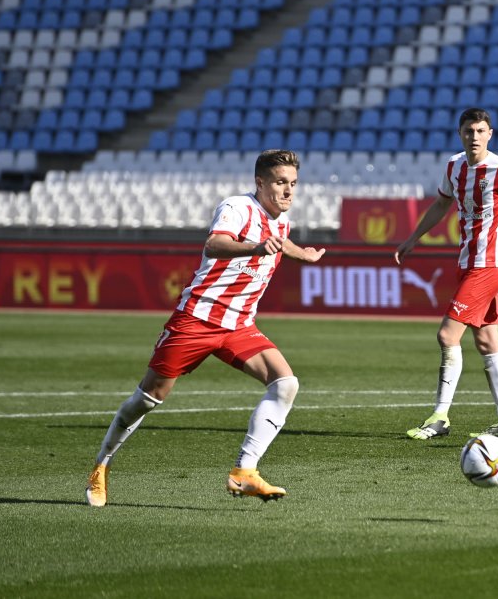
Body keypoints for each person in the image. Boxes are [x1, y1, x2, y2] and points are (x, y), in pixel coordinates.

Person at [84, 149, 326, 507]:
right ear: (260, 183)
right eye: (280, 182)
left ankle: (244, 471)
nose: (288, 190)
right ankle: (101, 465)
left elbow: (278, 239)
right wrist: (257, 248)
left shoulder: (281, 221)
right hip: (197, 319)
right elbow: (214, 244)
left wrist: (301, 254)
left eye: (293, 183)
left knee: (286, 383)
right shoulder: (237, 207)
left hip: (239, 325)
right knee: (148, 398)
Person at [395, 107, 498, 440]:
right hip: (467, 263)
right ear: (460, 134)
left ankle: (439, 417)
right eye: (469, 131)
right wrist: (414, 238)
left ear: (490, 134)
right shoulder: (454, 166)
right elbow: (441, 205)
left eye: (480, 131)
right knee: (487, 341)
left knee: (447, 336)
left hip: (490, 266)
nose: (474, 136)